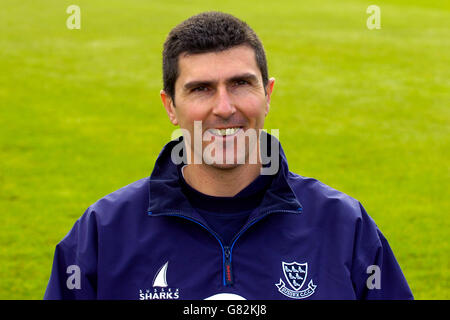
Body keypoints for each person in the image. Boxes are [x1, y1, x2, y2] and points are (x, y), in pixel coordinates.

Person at [44, 11, 413, 300]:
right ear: (170, 106)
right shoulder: (103, 233)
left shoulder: (344, 226)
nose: (224, 108)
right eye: (201, 89)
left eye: (240, 83)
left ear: (268, 94)